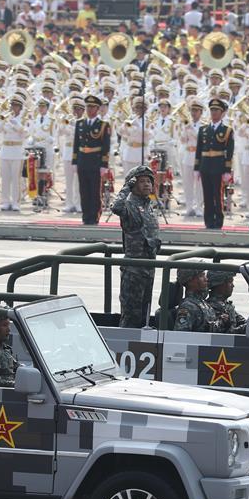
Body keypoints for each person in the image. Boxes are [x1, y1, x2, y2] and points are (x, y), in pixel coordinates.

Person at [112, 165, 160, 329]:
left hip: (148, 267)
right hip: (134, 269)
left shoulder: (148, 206)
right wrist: (126, 188)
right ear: (133, 185)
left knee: (145, 315)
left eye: (149, 181)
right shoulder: (129, 204)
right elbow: (116, 207)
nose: (147, 184)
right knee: (131, 315)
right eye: (141, 181)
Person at [195, 98, 234, 229]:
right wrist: (197, 168)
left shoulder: (227, 130)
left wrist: (228, 170)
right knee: (207, 195)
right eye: (212, 110)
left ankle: (218, 221)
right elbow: (199, 149)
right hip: (205, 165)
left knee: (218, 195)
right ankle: (208, 221)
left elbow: (229, 151)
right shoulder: (203, 129)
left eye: (216, 110)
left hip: (218, 166)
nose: (214, 113)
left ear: (222, 113)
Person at [72, 94, 111, 225]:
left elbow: (106, 146)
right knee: (84, 191)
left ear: (98, 109)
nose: (89, 110)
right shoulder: (80, 124)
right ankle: (85, 216)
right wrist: (75, 161)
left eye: (92, 107)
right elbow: (76, 144)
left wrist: (104, 164)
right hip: (83, 160)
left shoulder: (103, 126)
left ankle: (94, 217)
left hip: (95, 161)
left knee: (94, 191)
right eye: (88, 107)